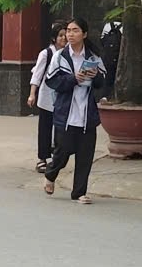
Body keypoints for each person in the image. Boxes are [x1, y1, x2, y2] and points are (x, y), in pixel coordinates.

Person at [43, 18, 106, 204]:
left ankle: (79, 192)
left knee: (85, 154)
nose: (70, 34)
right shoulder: (60, 57)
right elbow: (51, 81)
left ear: (84, 34)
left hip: (87, 114)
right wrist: (73, 79)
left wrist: (95, 77)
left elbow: (102, 82)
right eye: (68, 31)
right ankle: (50, 174)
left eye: (75, 30)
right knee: (62, 151)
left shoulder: (93, 57)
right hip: (66, 113)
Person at [28, 21, 68, 174]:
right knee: (45, 128)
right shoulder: (46, 54)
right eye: (60, 35)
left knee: (60, 129)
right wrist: (32, 94)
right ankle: (42, 158)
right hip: (46, 97)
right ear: (54, 38)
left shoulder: (69, 53)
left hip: (62, 97)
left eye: (65, 35)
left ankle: (56, 157)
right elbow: (37, 74)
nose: (63, 38)